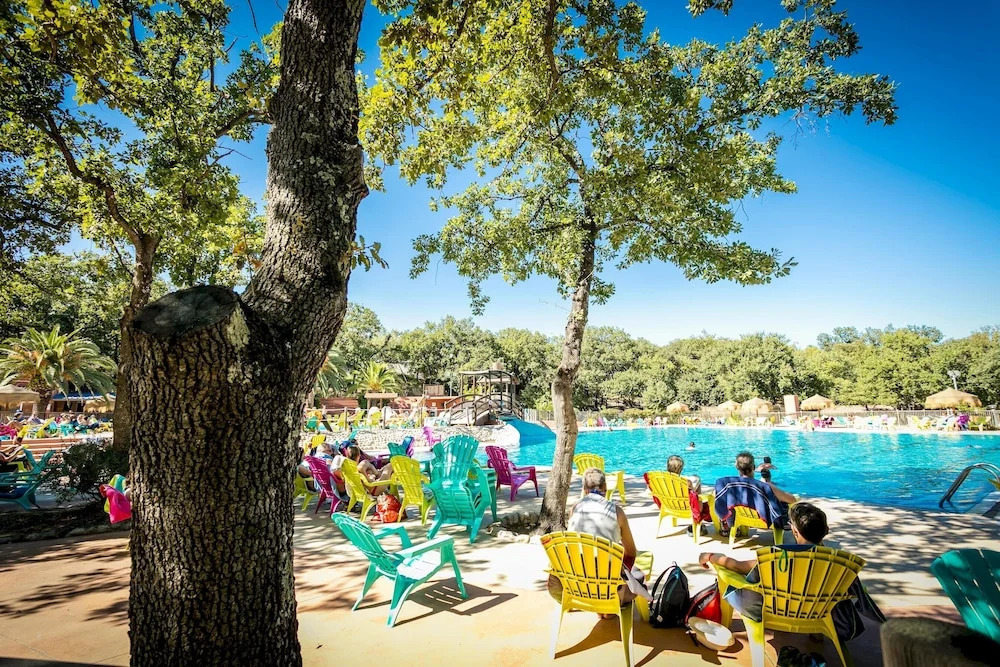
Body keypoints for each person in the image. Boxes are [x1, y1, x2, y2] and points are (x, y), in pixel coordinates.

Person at [698, 502, 884, 642]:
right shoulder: (840, 565)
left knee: (733, 579)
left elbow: (737, 566)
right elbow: (858, 596)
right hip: (818, 613)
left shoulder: (775, 557)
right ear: (826, 531)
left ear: (794, 531)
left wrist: (711, 556)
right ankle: (816, 632)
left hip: (773, 611)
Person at [548, 468, 648, 616]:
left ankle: (593, 601)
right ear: (605, 487)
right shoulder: (617, 512)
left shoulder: (575, 508)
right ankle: (609, 606)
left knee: (589, 564)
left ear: (584, 489)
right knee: (638, 578)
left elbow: (573, 544)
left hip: (579, 585)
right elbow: (631, 552)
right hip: (607, 587)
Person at [714, 452, 795, 536]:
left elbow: (717, 497)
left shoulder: (729, 485)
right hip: (767, 521)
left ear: (737, 467)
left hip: (741, 518)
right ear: (753, 467)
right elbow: (792, 500)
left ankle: (728, 527)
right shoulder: (765, 487)